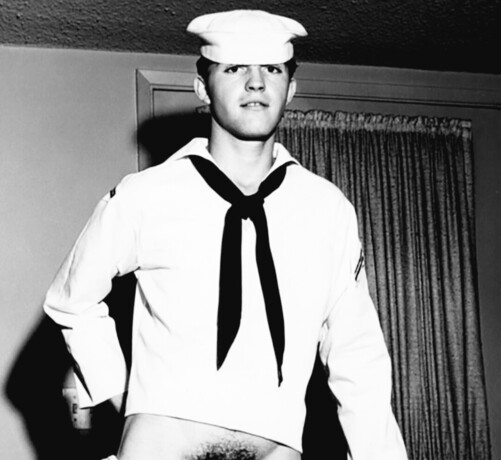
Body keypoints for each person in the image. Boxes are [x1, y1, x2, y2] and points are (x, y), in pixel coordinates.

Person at [43, 9, 408, 460]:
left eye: (272, 69)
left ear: (291, 88)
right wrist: (125, 397)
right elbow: (70, 301)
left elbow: (359, 358)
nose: (256, 83)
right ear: (202, 86)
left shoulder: (326, 209)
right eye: (234, 68)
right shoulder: (146, 195)